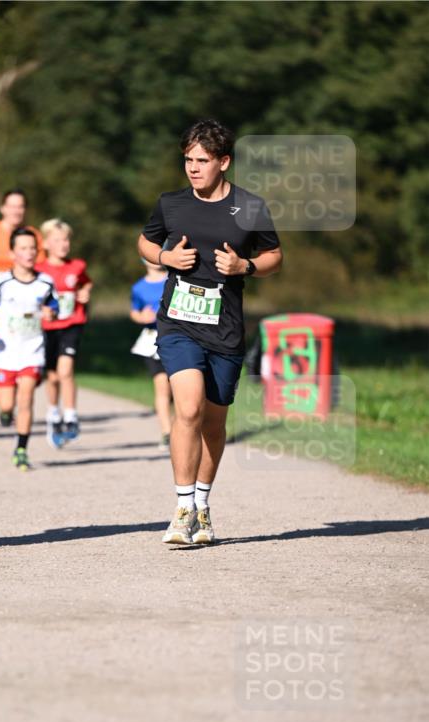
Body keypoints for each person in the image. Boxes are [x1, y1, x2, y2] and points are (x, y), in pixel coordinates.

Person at [137, 118, 282, 546]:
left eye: (201, 160)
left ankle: (202, 505)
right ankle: (182, 510)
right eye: (187, 160)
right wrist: (165, 257)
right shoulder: (171, 204)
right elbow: (144, 242)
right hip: (178, 322)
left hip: (226, 328)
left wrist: (246, 267)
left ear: (224, 161)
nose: (193, 168)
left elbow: (275, 255)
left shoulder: (250, 207)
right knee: (188, 408)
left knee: (214, 424)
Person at [0, 227, 57, 471]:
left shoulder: (45, 283)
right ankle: (2, 408)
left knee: (26, 399)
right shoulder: (2, 281)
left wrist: (50, 313)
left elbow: (53, 307)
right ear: (12, 253)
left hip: (32, 350)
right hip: (4, 351)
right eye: (23, 248)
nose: (29, 253)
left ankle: (21, 449)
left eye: (32, 248)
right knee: (7, 405)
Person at [39, 218, 93, 447]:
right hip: (47, 328)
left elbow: (86, 283)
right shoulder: (39, 270)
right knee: (52, 376)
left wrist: (84, 293)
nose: (63, 244)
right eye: (58, 240)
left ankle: (70, 415)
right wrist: (42, 309)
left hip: (72, 324)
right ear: (46, 244)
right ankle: (53, 413)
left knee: (66, 369)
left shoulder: (77, 266)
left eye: (66, 240)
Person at [129, 259, 171, 450]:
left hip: (176, 338)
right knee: (162, 387)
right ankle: (167, 433)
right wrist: (141, 318)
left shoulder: (174, 279)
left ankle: (183, 430)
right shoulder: (139, 287)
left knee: (180, 390)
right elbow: (134, 312)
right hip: (151, 341)